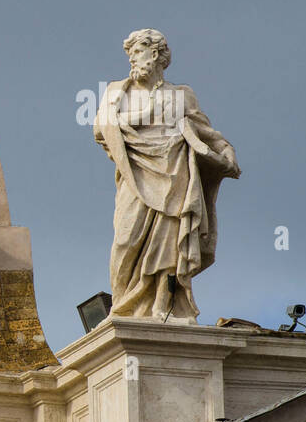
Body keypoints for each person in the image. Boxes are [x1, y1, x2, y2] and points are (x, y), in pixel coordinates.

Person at [94, 29, 240, 321]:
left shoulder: (181, 95)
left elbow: (206, 131)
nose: (133, 59)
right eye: (131, 53)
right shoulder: (117, 92)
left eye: (138, 51)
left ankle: (164, 304)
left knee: (170, 243)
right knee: (126, 239)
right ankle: (124, 304)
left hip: (175, 173)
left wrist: (224, 149)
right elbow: (101, 130)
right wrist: (141, 118)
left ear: (156, 54)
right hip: (136, 175)